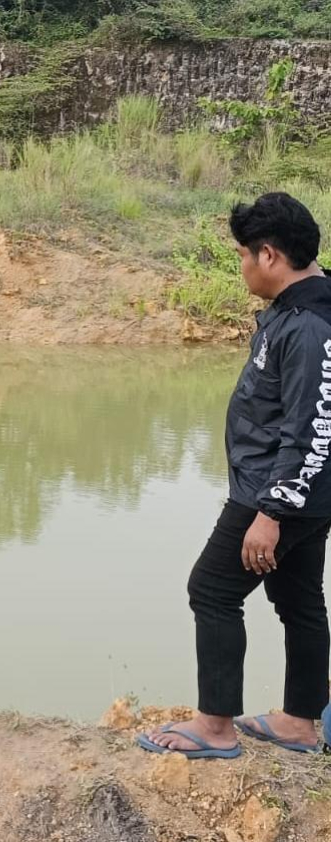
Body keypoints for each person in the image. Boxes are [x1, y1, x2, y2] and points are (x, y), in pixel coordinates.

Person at [139, 192, 331, 759]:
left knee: (213, 589)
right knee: (298, 597)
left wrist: (270, 512)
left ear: (268, 255)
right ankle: (300, 721)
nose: (242, 267)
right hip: (306, 492)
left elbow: (312, 428)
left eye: (243, 255)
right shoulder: (307, 311)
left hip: (276, 493)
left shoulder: (309, 328)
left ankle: (214, 727)